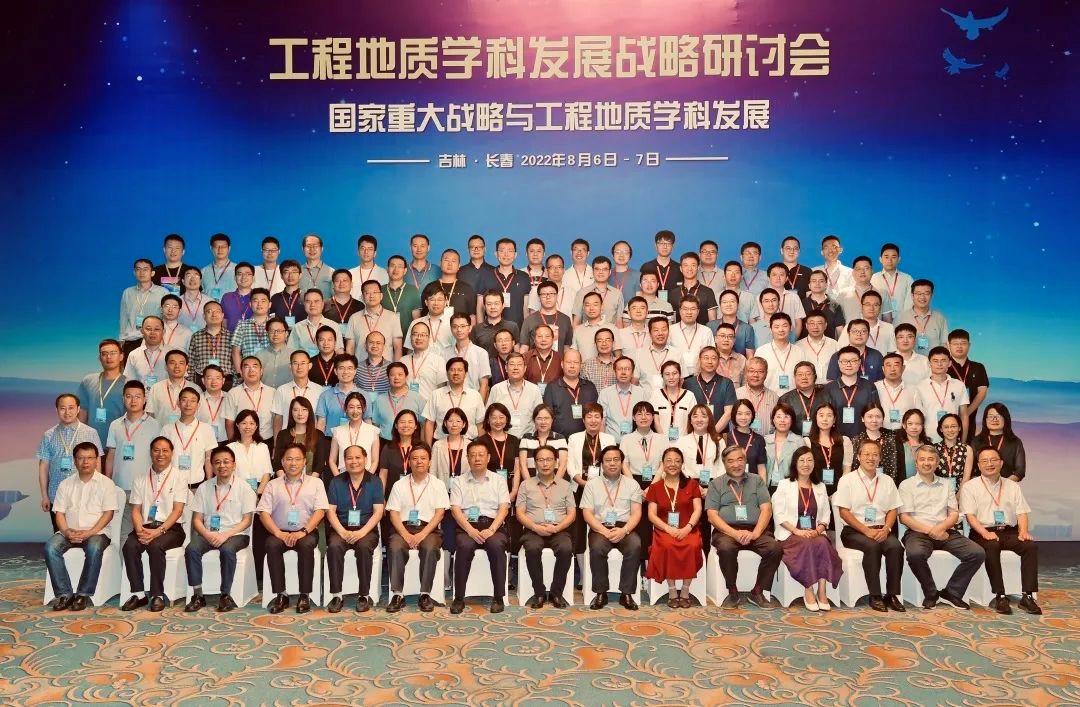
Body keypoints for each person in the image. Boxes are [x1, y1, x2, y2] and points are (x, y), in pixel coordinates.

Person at [898, 444, 985, 610]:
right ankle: (931, 593)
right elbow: (904, 518)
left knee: (977, 553)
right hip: (917, 532)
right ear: (916, 463)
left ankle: (952, 592)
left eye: (931, 459)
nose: (926, 463)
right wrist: (932, 531)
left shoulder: (946, 485)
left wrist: (940, 529)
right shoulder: (906, 485)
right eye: (922, 459)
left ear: (937, 463)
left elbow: (953, 514)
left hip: (945, 531)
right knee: (915, 554)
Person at [960, 447, 1041, 615]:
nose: (989, 464)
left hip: (1008, 532)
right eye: (984, 461)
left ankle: (1028, 596)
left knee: (1030, 546)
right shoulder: (970, 487)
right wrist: (984, 533)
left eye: (993, 460)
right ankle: (1000, 596)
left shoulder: (1012, 486)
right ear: (978, 465)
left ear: (1001, 463)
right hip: (981, 532)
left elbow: (1022, 512)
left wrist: (1023, 531)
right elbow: (970, 516)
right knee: (992, 545)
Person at [704, 445, 783, 609]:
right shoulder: (716, 484)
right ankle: (733, 592)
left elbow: (767, 510)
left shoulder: (757, 480)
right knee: (726, 548)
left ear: (745, 460)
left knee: (775, 548)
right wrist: (734, 533)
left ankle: (757, 591)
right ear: (724, 463)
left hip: (756, 530)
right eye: (730, 461)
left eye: (740, 459)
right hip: (726, 531)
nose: (736, 464)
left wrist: (755, 533)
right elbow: (712, 516)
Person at [45, 442, 119, 612]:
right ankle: (64, 593)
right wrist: (66, 531)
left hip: (97, 532)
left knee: (94, 547)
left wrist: (90, 532)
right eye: (81, 458)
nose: (85, 462)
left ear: (96, 460)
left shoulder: (106, 484)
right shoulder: (65, 484)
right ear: (74, 461)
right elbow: (59, 514)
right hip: (69, 531)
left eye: (90, 458)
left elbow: (108, 514)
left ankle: (83, 594)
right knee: (50, 547)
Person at [183, 445, 257, 613]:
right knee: (192, 548)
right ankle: (198, 595)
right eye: (217, 462)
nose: (222, 465)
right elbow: (197, 520)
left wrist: (225, 535)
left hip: (236, 533)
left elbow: (247, 521)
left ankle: (225, 595)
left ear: (234, 464)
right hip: (209, 533)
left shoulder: (244, 488)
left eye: (226, 462)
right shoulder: (204, 488)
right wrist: (207, 534)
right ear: (212, 465)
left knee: (227, 550)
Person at [833, 438, 905, 612]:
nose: (871, 458)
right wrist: (866, 531)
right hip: (854, 531)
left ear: (880, 458)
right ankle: (875, 595)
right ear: (858, 456)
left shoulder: (887, 480)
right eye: (866, 454)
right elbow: (844, 512)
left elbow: (893, 509)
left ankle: (892, 594)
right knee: (872, 547)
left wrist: (887, 529)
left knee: (896, 547)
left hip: (881, 529)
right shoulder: (847, 480)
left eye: (875, 455)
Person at [259, 442, 329, 614]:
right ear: (282, 462)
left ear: (304, 461)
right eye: (289, 459)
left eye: (297, 459)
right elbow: (263, 513)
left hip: (306, 531)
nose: (293, 463)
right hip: (280, 531)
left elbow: (320, 511)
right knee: (271, 545)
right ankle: (281, 595)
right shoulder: (272, 485)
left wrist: (302, 532)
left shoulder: (316, 483)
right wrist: (278, 533)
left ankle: (304, 595)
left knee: (306, 545)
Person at [121, 436, 187, 612]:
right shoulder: (140, 479)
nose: (160, 454)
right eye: (156, 450)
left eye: (165, 450)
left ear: (172, 453)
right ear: (150, 453)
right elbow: (136, 510)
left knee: (155, 546)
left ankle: (157, 594)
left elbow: (177, 511)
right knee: (129, 546)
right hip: (145, 527)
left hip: (172, 528)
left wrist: (158, 531)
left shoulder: (179, 477)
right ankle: (139, 594)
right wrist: (139, 530)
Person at [771, 446, 841, 611]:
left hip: (815, 533)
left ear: (814, 464)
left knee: (823, 543)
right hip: (790, 534)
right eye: (801, 460)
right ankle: (808, 589)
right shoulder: (784, 485)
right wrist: (797, 531)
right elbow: (779, 514)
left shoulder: (820, 486)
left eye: (809, 460)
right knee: (808, 544)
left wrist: (818, 530)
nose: (806, 464)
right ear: (795, 464)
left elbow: (826, 515)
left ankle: (822, 590)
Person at [385, 444, 450, 613]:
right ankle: (397, 594)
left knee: (429, 547)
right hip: (403, 528)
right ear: (409, 462)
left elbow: (440, 514)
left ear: (429, 462)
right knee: (395, 547)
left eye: (423, 458)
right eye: (415, 458)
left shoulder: (438, 484)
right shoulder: (399, 484)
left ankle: (425, 594)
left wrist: (422, 534)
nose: (419, 462)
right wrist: (406, 534)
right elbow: (393, 513)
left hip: (428, 529)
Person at [449, 441, 511, 614]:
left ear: (488, 458)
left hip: (493, 525)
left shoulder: (498, 480)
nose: (477, 458)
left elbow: (504, 508)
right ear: (467, 458)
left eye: (481, 455)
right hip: (467, 526)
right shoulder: (459, 481)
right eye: (473, 455)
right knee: (464, 546)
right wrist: (470, 530)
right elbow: (455, 509)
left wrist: (491, 530)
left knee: (496, 545)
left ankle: (498, 597)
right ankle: (459, 598)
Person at [581, 445, 643, 610]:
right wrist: (604, 531)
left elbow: (637, 513)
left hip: (625, 526)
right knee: (597, 547)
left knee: (635, 546)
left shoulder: (632, 484)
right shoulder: (592, 485)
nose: (612, 463)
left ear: (622, 462)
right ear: (601, 464)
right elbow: (587, 514)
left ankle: (626, 593)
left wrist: (624, 530)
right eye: (608, 460)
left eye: (616, 459)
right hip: (600, 527)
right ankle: (601, 592)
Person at [324, 445, 384, 613]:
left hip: (366, 529)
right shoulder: (336, 482)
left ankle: (363, 595)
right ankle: (337, 595)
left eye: (358, 457)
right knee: (334, 546)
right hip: (341, 528)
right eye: (349, 458)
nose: (354, 461)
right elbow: (330, 511)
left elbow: (378, 512)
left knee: (364, 547)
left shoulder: (375, 481)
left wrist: (361, 532)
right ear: (344, 461)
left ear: (365, 459)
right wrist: (342, 532)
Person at [517, 444, 577, 608]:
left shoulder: (565, 485)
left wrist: (557, 528)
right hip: (533, 529)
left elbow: (572, 514)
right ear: (535, 463)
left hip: (559, 529)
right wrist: (535, 527)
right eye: (541, 460)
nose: (545, 463)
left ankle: (557, 593)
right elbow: (520, 513)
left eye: (549, 459)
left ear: (556, 462)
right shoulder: (526, 485)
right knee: (532, 548)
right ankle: (539, 593)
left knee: (566, 548)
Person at [645, 447, 704, 607]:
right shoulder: (655, 487)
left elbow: (698, 509)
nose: (673, 464)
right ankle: (672, 590)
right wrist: (668, 529)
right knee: (666, 545)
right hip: (664, 530)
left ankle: (685, 591)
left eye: (677, 461)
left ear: (682, 464)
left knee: (692, 545)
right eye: (669, 461)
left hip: (688, 529)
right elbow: (651, 515)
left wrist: (688, 528)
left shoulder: (692, 484)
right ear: (662, 464)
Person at [38, 394, 104, 532]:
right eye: (63, 408)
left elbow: (97, 462)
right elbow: (43, 466)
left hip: (86, 495)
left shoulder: (90, 433)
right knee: (60, 534)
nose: (67, 412)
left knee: (85, 535)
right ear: (57, 410)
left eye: (71, 408)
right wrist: (44, 496)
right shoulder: (48, 435)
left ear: (78, 409)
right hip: (56, 495)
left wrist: (98, 491)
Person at [105, 381, 162, 540]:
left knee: (147, 528)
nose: (133, 400)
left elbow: (159, 457)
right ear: (123, 399)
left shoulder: (155, 425)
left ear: (144, 399)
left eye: (137, 396)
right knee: (123, 531)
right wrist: (108, 483)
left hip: (146, 487)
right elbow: (111, 455)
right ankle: (123, 558)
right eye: (129, 396)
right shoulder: (115, 425)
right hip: (120, 487)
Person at [376, 410, 423, 533]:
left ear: (416, 426)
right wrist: (381, 498)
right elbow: (383, 474)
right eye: (402, 422)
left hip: (418, 497)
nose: (406, 425)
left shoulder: (421, 448)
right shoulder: (388, 448)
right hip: (393, 498)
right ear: (396, 425)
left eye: (410, 422)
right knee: (392, 534)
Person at [913, 347, 970, 442]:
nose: (939, 364)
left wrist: (963, 442)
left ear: (949, 363)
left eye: (943, 360)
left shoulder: (959, 385)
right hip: (928, 439)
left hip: (953, 439)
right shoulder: (920, 387)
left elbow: (964, 415)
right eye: (935, 361)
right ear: (929, 363)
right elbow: (917, 417)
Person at [822, 345, 880, 439]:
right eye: (845, 361)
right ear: (839, 363)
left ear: (859, 362)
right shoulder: (829, 388)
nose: (849, 364)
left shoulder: (869, 386)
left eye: (853, 361)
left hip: (864, 439)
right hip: (836, 439)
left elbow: (876, 414)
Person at [163, 387, 217, 486]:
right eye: (184, 400)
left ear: (198, 405)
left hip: (197, 485)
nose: (188, 404)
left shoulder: (206, 429)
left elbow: (208, 459)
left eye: (192, 401)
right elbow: (163, 458)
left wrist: (209, 484)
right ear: (178, 403)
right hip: (172, 486)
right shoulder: (167, 429)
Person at [77, 339, 127, 444]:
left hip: (117, 443)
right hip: (90, 444)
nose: (109, 357)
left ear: (121, 356)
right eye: (104, 354)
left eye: (113, 353)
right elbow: (82, 411)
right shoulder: (88, 380)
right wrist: (80, 440)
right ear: (100, 358)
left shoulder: (129, 384)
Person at [475, 238, 531, 326]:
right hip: (491, 330)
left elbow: (526, 310)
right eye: (502, 251)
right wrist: (481, 330)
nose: (506, 254)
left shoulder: (524, 277)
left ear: (515, 255)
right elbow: (480, 307)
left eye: (510, 251)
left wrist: (525, 332)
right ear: (496, 254)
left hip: (517, 329)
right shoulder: (485, 276)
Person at [271, 397, 330, 482]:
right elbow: (277, 463)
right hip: (286, 483)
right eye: (296, 410)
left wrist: (308, 484)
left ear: (309, 412)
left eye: (304, 409)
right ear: (291, 412)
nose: (300, 413)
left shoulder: (318, 435)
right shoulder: (283, 435)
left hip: (311, 482)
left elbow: (320, 464)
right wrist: (286, 482)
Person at [947, 329, 990, 443]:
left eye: (963, 343)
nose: (959, 346)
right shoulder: (944, 367)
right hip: (946, 420)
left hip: (970, 418)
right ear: (948, 345)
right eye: (955, 343)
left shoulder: (978, 367)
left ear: (969, 345)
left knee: (967, 448)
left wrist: (966, 413)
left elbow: (982, 392)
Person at [487, 352, 542, 438]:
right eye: (512, 364)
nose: (515, 368)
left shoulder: (534, 390)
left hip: (528, 439)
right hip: (503, 439)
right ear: (506, 368)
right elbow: (488, 416)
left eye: (519, 364)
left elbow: (540, 416)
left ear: (525, 368)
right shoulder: (496, 389)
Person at [119, 259, 169, 355]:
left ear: (152, 273)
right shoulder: (128, 292)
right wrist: (121, 338)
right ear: (134, 272)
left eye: (145, 269)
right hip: (131, 339)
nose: (142, 272)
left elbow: (166, 318)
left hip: (154, 339)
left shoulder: (163, 292)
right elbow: (123, 317)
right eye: (138, 269)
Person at [347, 279, 404, 360]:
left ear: (381, 296)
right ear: (362, 297)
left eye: (375, 292)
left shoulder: (393, 317)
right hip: (360, 366)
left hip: (386, 367)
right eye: (367, 293)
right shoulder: (354, 318)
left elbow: (398, 347)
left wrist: (396, 366)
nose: (371, 296)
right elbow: (350, 348)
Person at [270, 351, 324, 436]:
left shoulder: (320, 390)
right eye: (295, 363)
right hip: (287, 437)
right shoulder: (281, 390)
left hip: (311, 438)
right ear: (290, 366)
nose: (299, 367)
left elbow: (321, 419)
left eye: (303, 363)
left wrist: (318, 439)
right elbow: (278, 419)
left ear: (310, 366)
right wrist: (277, 441)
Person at [224, 356, 276, 442]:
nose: (251, 370)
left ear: (261, 371)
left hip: (267, 440)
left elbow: (277, 420)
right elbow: (229, 422)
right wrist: (233, 444)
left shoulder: (272, 392)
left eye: (255, 366)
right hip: (242, 441)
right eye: (247, 367)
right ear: (241, 372)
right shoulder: (233, 393)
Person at [328, 392, 381, 476]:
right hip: (343, 477)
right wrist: (338, 479)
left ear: (364, 409)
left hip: (366, 477)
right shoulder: (338, 431)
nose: (355, 411)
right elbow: (332, 460)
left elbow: (375, 461)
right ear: (346, 409)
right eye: (351, 407)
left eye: (359, 407)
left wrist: (366, 479)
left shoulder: (373, 431)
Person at [369, 362, 425, 440]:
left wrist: (422, 444)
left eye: (400, 375)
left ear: (406, 377)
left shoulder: (417, 398)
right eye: (392, 375)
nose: (396, 378)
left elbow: (424, 424)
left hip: (410, 442)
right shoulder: (379, 399)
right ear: (388, 377)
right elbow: (375, 425)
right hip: (386, 442)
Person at [756, 313, 809, 395]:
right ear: (770, 329)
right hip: (768, 398)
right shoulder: (761, 352)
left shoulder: (799, 352)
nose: (781, 330)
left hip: (793, 398)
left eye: (785, 326)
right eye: (776, 327)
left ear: (790, 328)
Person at [972, 403, 1026, 482]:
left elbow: (1020, 471)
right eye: (990, 416)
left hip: (1007, 485)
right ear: (985, 419)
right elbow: (971, 469)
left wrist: (1003, 485)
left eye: (998, 416)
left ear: (1006, 419)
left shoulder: (1015, 442)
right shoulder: (976, 441)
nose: (994, 419)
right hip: (981, 486)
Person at [597, 357, 647, 441]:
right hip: (612, 444)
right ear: (615, 372)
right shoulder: (605, 393)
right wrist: (602, 443)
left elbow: (645, 419)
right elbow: (601, 421)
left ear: (632, 372)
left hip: (635, 443)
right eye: (620, 369)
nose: (623, 372)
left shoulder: (641, 393)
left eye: (627, 369)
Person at [807, 403, 852, 497]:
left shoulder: (845, 441)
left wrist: (838, 493)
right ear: (816, 418)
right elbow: (806, 471)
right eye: (821, 415)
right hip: (815, 493)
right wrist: (818, 493)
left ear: (834, 419)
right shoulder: (807, 442)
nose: (825, 419)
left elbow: (847, 470)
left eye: (829, 415)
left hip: (839, 493)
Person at [895, 279, 948, 355]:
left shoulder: (939, 318)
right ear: (912, 295)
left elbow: (944, 343)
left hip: (933, 361)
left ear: (932, 295)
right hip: (909, 361)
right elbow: (894, 343)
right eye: (918, 293)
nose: (922, 297)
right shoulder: (901, 317)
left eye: (926, 293)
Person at [188, 302, 235, 386]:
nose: (214, 314)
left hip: (226, 380)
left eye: (217, 311)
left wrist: (235, 383)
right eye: (209, 311)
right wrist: (191, 384)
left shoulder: (232, 336)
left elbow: (235, 362)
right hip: (202, 380)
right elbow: (191, 362)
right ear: (204, 316)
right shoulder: (196, 336)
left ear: (222, 315)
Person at [648, 361, 696, 442]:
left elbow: (692, 421)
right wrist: (663, 440)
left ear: (680, 375)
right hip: (661, 441)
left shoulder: (689, 395)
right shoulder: (656, 395)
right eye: (667, 374)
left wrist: (684, 440)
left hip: (684, 442)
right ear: (662, 376)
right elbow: (656, 421)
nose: (671, 377)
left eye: (674, 373)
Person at [764, 404, 808, 493]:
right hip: (767, 487)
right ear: (773, 420)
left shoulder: (799, 442)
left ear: (792, 420)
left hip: (791, 488)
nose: (782, 420)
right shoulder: (764, 440)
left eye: (786, 417)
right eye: (778, 416)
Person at [722, 399, 768, 482]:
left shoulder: (759, 439)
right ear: (734, 415)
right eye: (739, 414)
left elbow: (761, 468)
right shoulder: (726, 438)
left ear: (752, 415)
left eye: (747, 414)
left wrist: (763, 488)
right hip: (730, 485)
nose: (743, 417)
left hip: (753, 486)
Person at [852, 403, 899, 484]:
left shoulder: (891, 439)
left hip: (886, 484)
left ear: (883, 419)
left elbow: (895, 466)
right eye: (870, 416)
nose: (874, 420)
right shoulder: (856, 440)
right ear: (862, 418)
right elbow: (854, 467)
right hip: (862, 484)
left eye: (878, 417)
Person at [227, 410, 273, 493]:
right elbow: (227, 473)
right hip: (236, 490)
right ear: (237, 425)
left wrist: (258, 493)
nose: (248, 426)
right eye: (244, 423)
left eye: (251, 423)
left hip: (259, 490)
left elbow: (267, 473)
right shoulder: (230, 448)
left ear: (256, 426)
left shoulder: (263, 447)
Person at [314, 354, 362, 434]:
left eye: (349, 368)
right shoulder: (325, 396)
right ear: (335, 371)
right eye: (341, 368)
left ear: (355, 371)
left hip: (357, 439)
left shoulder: (364, 395)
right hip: (330, 438)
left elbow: (367, 421)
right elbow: (321, 423)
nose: (345, 372)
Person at [518, 405, 569, 480]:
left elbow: (563, 466)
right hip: (530, 483)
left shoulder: (560, 438)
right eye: (539, 418)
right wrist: (530, 484)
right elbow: (523, 465)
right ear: (534, 420)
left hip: (555, 484)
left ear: (552, 420)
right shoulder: (526, 438)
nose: (543, 422)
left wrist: (554, 484)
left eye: (546, 418)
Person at [520, 280, 574, 351]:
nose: (548, 297)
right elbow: (524, 348)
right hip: (535, 358)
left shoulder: (565, 319)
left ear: (557, 296)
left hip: (559, 358)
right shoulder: (529, 320)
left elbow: (567, 348)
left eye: (551, 293)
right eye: (544, 294)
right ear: (539, 297)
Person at [400, 322, 447, 400]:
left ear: (429, 338)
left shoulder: (438, 360)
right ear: (410, 337)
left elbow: (442, 389)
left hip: (429, 405)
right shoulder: (402, 361)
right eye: (415, 334)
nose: (419, 338)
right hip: (407, 405)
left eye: (423, 335)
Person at [571, 256, 625, 325]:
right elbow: (576, 322)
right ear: (592, 271)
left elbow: (619, 323)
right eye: (597, 269)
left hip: (610, 332)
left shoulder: (617, 294)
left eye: (604, 269)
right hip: (588, 331)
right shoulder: (582, 293)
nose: (601, 272)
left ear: (609, 272)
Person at [288, 289, 343, 356]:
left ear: (322, 304)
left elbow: (339, 351)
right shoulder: (297, 327)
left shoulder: (334, 326)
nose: (312, 305)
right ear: (304, 304)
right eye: (308, 301)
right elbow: (291, 352)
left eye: (316, 301)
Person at [669, 297, 714, 376]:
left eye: (693, 309)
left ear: (698, 311)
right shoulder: (670, 330)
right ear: (680, 311)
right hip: (676, 377)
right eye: (685, 309)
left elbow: (712, 356)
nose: (689, 312)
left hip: (700, 377)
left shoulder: (706, 331)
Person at [778, 361, 826, 435]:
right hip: (794, 440)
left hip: (820, 439)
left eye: (808, 374)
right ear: (794, 377)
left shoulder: (826, 396)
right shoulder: (785, 399)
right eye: (800, 374)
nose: (804, 377)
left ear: (815, 377)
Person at [145, 349, 192, 424]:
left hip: (187, 431)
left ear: (186, 367)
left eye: (181, 363)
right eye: (172, 363)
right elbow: (150, 414)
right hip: (161, 430)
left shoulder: (195, 388)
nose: (177, 366)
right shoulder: (156, 388)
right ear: (166, 367)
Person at [734, 357, 778, 436]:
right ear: (746, 373)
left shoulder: (774, 397)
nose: (755, 375)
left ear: (766, 374)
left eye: (760, 372)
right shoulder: (736, 394)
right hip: (741, 441)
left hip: (767, 441)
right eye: (751, 371)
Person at [669, 253, 717, 324]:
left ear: (698, 268)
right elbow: (671, 321)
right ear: (681, 269)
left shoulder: (708, 292)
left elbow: (713, 322)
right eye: (686, 265)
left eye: (693, 265)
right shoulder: (673, 294)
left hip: (702, 331)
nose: (689, 268)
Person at [406, 285, 454, 354]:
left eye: (440, 300)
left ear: (446, 302)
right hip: (422, 361)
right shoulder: (416, 323)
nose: (436, 303)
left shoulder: (453, 324)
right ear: (426, 302)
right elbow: (410, 350)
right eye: (432, 299)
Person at [870, 243, 913, 321]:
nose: (889, 260)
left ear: (899, 259)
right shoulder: (873, 278)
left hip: (902, 321)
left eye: (893, 257)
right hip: (880, 321)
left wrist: (904, 320)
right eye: (886, 257)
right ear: (880, 259)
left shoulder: (907, 279)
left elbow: (910, 303)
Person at [876, 353, 918, 432]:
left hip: (905, 434)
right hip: (880, 433)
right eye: (888, 365)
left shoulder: (913, 390)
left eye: (896, 365)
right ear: (883, 368)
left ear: (903, 368)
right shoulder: (875, 388)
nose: (892, 369)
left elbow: (918, 415)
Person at [834, 256, 880, 324]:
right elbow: (836, 321)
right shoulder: (843, 294)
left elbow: (887, 320)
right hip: (849, 330)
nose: (862, 272)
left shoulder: (881, 293)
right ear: (853, 273)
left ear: (872, 271)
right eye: (858, 269)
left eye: (866, 268)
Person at [122, 316, 168, 386]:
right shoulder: (134, 355)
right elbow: (129, 383)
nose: (152, 332)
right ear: (142, 331)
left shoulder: (173, 353)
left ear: (163, 331)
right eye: (148, 329)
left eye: (157, 329)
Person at [764, 263, 807, 337]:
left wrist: (793, 340)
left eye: (781, 275)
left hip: (790, 339)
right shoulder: (760, 297)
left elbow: (798, 323)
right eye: (774, 275)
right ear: (768, 278)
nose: (778, 278)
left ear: (786, 278)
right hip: (766, 339)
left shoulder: (794, 297)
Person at [800, 271, 845, 340]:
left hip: (828, 345)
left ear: (826, 284)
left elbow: (839, 330)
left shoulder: (834, 305)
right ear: (809, 285)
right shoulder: (801, 304)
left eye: (821, 281)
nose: (817, 284)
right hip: (805, 345)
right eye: (814, 281)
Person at [935, 413, 973, 490]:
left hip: (961, 491)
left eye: (953, 426)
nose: (950, 430)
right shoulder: (934, 449)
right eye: (946, 427)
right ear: (941, 429)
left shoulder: (967, 449)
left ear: (959, 428)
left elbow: (966, 477)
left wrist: (958, 495)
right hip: (938, 492)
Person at [354, 331, 391, 407]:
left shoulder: (391, 367)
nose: (374, 345)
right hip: (363, 409)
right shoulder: (357, 367)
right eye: (371, 342)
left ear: (384, 346)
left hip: (384, 408)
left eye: (378, 343)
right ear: (366, 345)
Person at [255, 319, 295, 388]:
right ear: (267, 333)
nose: (275, 334)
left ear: (286, 334)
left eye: (279, 331)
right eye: (272, 331)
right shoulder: (259, 355)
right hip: (265, 393)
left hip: (288, 394)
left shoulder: (294, 355)